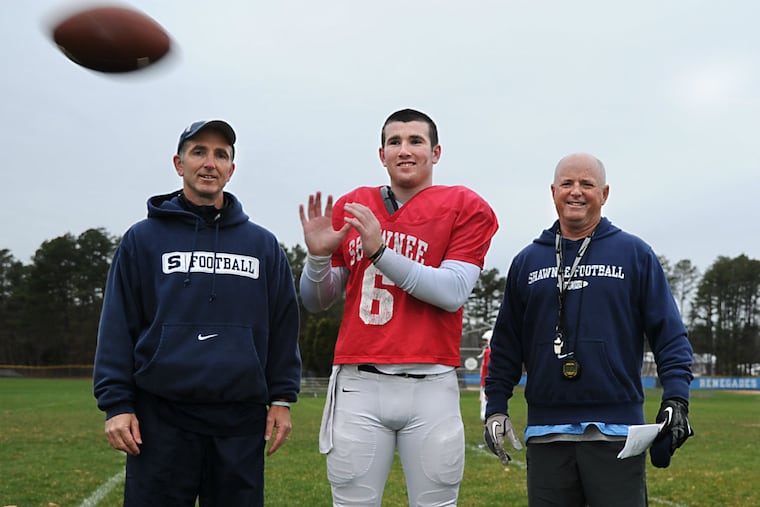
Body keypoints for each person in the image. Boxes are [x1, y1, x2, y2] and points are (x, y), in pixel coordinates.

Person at [93, 119, 302, 507]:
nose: (210, 163)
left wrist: (281, 397)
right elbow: (118, 323)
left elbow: (284, 324)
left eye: (221, 155)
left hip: (239, 419)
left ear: (231, 169)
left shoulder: (263, 245)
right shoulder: (143, 239)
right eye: (199, 152)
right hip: (161, 417)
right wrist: (117, 404)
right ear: (179, 163)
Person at [299, 108, 498, 506]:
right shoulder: (355, 205)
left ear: (436, 152)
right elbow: (316, 300)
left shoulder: (464, 205)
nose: (404, 150)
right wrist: (318, 259)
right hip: (359, 381)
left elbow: (453, 290)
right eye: (395, 142)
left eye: (415, 141)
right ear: (381, 153)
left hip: (431, 383)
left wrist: (381, 251)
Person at [484, 152, 694, 506]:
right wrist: (496, 406)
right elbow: (506, 344)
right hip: (546, 434)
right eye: (567, 183)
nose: (576, 192)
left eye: (587, 184)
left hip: (615, 433)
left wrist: (676, 397)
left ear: (605, 193)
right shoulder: (527, 261)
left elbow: (669, 334)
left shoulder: (634, 254)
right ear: (553, 191)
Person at [478, 329, 492, 423]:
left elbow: (488, 368)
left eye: (486, 340)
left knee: (486, 400)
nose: (484, 342)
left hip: (487, 380)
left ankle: (486, 416)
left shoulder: (489, 352)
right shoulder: (487, 351)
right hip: (485, 380)